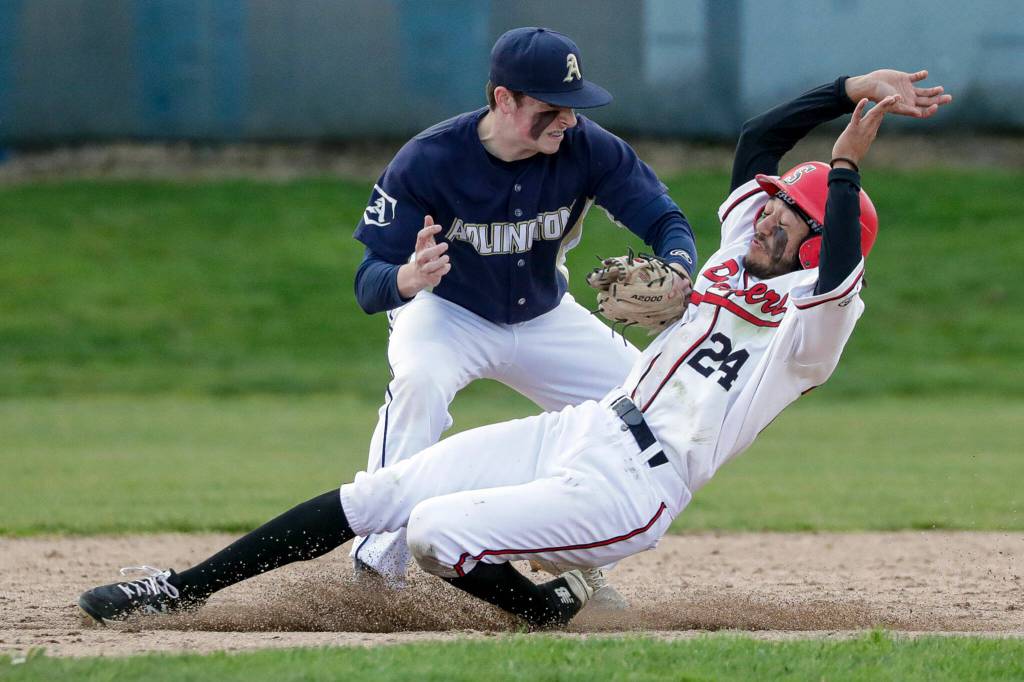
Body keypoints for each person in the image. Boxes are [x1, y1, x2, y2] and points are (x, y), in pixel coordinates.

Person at [78, 69, 950, 629]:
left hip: (638, 485)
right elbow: (758, 142)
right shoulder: (734, 248)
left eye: (784, 215)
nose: (764, 210)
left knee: (436, 533)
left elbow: (837, 264)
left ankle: (543, 613)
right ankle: (179, 589)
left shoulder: (814, 322)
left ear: (810, 241)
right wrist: (847, 88)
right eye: (769, 204)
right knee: (384, 492)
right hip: (585, 429)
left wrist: (842, 168)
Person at [349, 27, 695, 592]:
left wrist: (679, 266)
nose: (569, 120)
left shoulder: (589, 148)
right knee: (419, 382)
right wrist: (407, 279)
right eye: (553, 108)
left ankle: (573, 557)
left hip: (543, 313)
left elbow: (665, 220)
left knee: (647, 404)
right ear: (504, 99)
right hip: (447, 312)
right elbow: (369, 284)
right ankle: (377, 566)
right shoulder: (427, 160)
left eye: (575, 107)